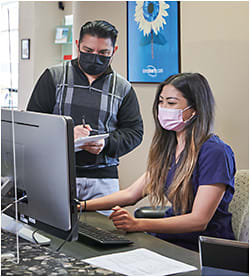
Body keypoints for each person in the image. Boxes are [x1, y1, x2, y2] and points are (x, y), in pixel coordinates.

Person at [80, 72, 236, 251]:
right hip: (172, 240)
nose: (163, 108)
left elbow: (199, 220)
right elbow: (131, 194)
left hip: (202, 249)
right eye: (161, 102)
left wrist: (137, 224)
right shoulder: (171, 147)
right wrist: (81, 205)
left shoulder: (215, 152)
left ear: (195, 109)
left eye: (171, 103)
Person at [27, 20, 143, 216]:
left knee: (102, 237)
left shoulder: (123, 88)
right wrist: (65, 134)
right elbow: (32, 124)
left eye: (103, 53)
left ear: (114, 50)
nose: (95, 57)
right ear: (77, 45)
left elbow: (135, 132)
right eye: (88, 50)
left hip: (103, 180)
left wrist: (105, 142)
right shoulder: (54, 76)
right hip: (55, 173)